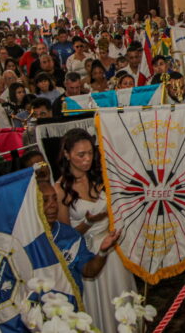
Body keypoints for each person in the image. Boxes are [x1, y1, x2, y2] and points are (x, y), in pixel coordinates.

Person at [53, 129, 136, 333]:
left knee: (123, 300)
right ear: (66, 154)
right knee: (103, 308)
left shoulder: (101, 177)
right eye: (81, 154)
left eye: (90, 153)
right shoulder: (61, 188)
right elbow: (66, 238)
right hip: (89, 254)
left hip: (114, 248)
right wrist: (89, 223)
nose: (87, 159)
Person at [39, 180, 121, 296]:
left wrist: (103, 251)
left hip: (70, 306)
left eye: (54, 199)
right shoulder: (29, 240)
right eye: (45, 200)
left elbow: (89, 271)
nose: (52, 204)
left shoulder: (69, 235)